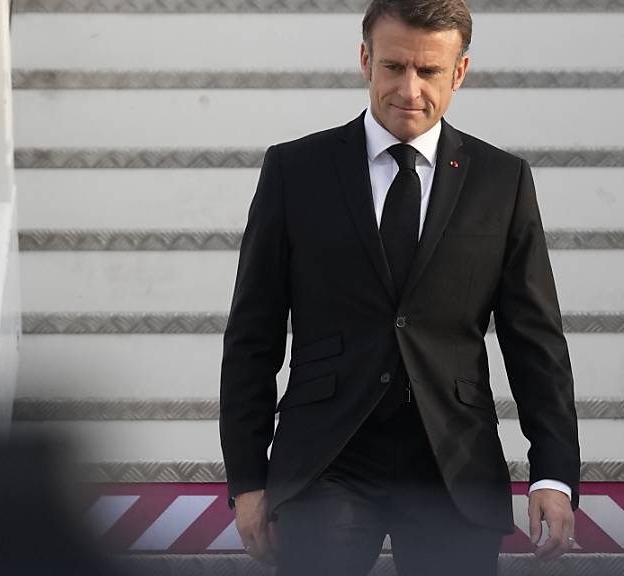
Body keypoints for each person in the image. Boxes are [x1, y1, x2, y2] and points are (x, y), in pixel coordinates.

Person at [218, 0, 581, 574]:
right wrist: (247, 478)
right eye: (393, 66)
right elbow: (251, 335)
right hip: (325, 461)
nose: (409, 89)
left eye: (429, 70)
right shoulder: (295, 170)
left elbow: (535, 340)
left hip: (454, 463)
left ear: (460, 72)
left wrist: (553, 474)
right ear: (366, 60)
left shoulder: (502, 180)